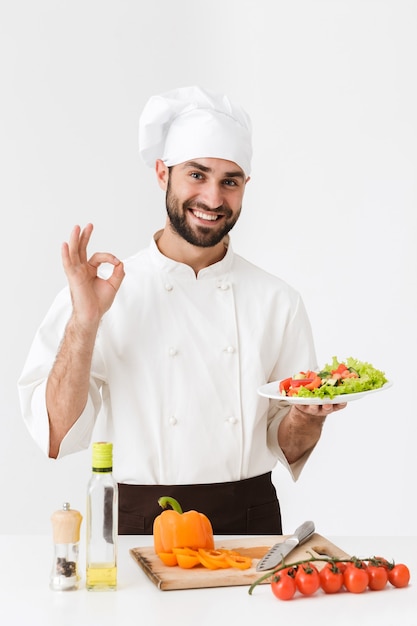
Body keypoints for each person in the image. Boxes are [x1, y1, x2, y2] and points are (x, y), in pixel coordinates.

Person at [18, 86, 346, 535]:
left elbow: (286, 444)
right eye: (197, 174)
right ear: (161, 173)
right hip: (140, 521)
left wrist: (306, 417)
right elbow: (56, 432)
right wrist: (84, 322)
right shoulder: (100, 295)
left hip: (247, 520)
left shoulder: (277, 301)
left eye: (229, 180)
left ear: (245, 187)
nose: (213, 199)